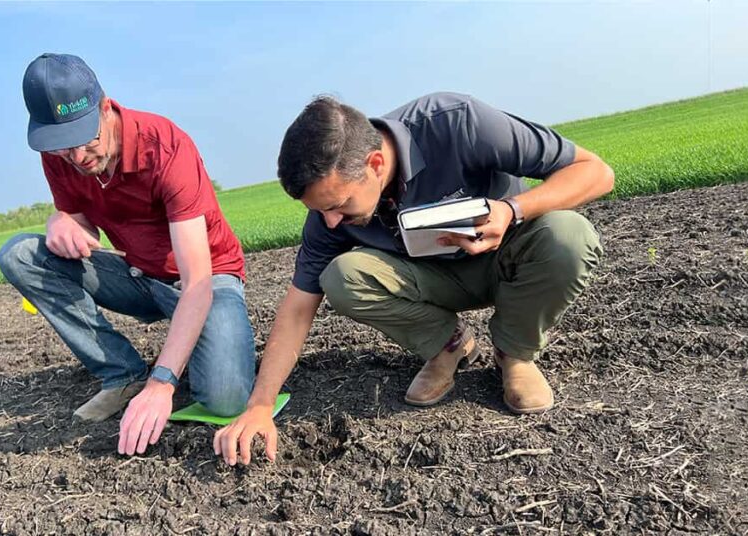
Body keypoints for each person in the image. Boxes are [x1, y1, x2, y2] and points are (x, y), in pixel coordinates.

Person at [214, 93, 613, 465]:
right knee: (342, 276)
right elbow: (299, 306)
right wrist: (260, 406)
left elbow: (595, 172)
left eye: (338, 206)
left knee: (567, 236)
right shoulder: (327, 215)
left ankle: (515, 353)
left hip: (504, 258)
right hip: (432, 282)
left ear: (374, 164)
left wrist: (511, 210)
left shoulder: (457, 124)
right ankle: (448, 345)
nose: (331, 221)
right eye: (321, 211)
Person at [0, 53, 255, 456]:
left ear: (105, 107)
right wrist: (61, 222)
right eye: (64, 148)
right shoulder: (60, 156)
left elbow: (197, 282)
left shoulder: (166, 147)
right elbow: (84, 227)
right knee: (19, 254)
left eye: (86, 141)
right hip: (136, 275)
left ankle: (172, 365)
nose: (78, 158)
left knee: (225, 398)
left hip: (206, 277)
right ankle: (123, 373)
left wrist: (163, 383)